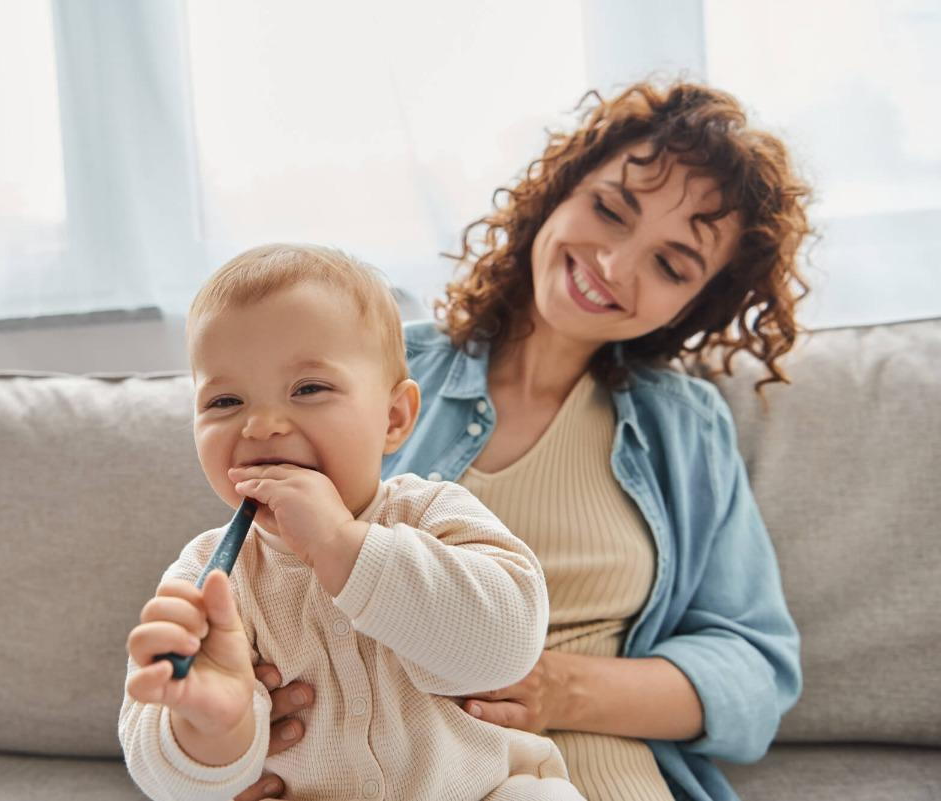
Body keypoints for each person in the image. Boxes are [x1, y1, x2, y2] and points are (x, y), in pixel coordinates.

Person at [234, 82, 808, 801]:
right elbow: (256, 561)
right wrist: (241, 725)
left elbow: (754, 670)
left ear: (696, 303)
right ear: (559, 192)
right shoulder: (370, 373)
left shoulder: (685, 427)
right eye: (609, 209)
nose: (615, 264)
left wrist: (560, 689)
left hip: (607, 776)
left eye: (671, 264)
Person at [119, 244, 586, 801]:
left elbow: (508, 645)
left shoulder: (433, 512)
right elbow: (163, 775)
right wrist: (210, 726)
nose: (262, 425)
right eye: (224, 401)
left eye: (309, 389)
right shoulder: (208, 578)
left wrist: (344, 545)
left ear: (394, 418)